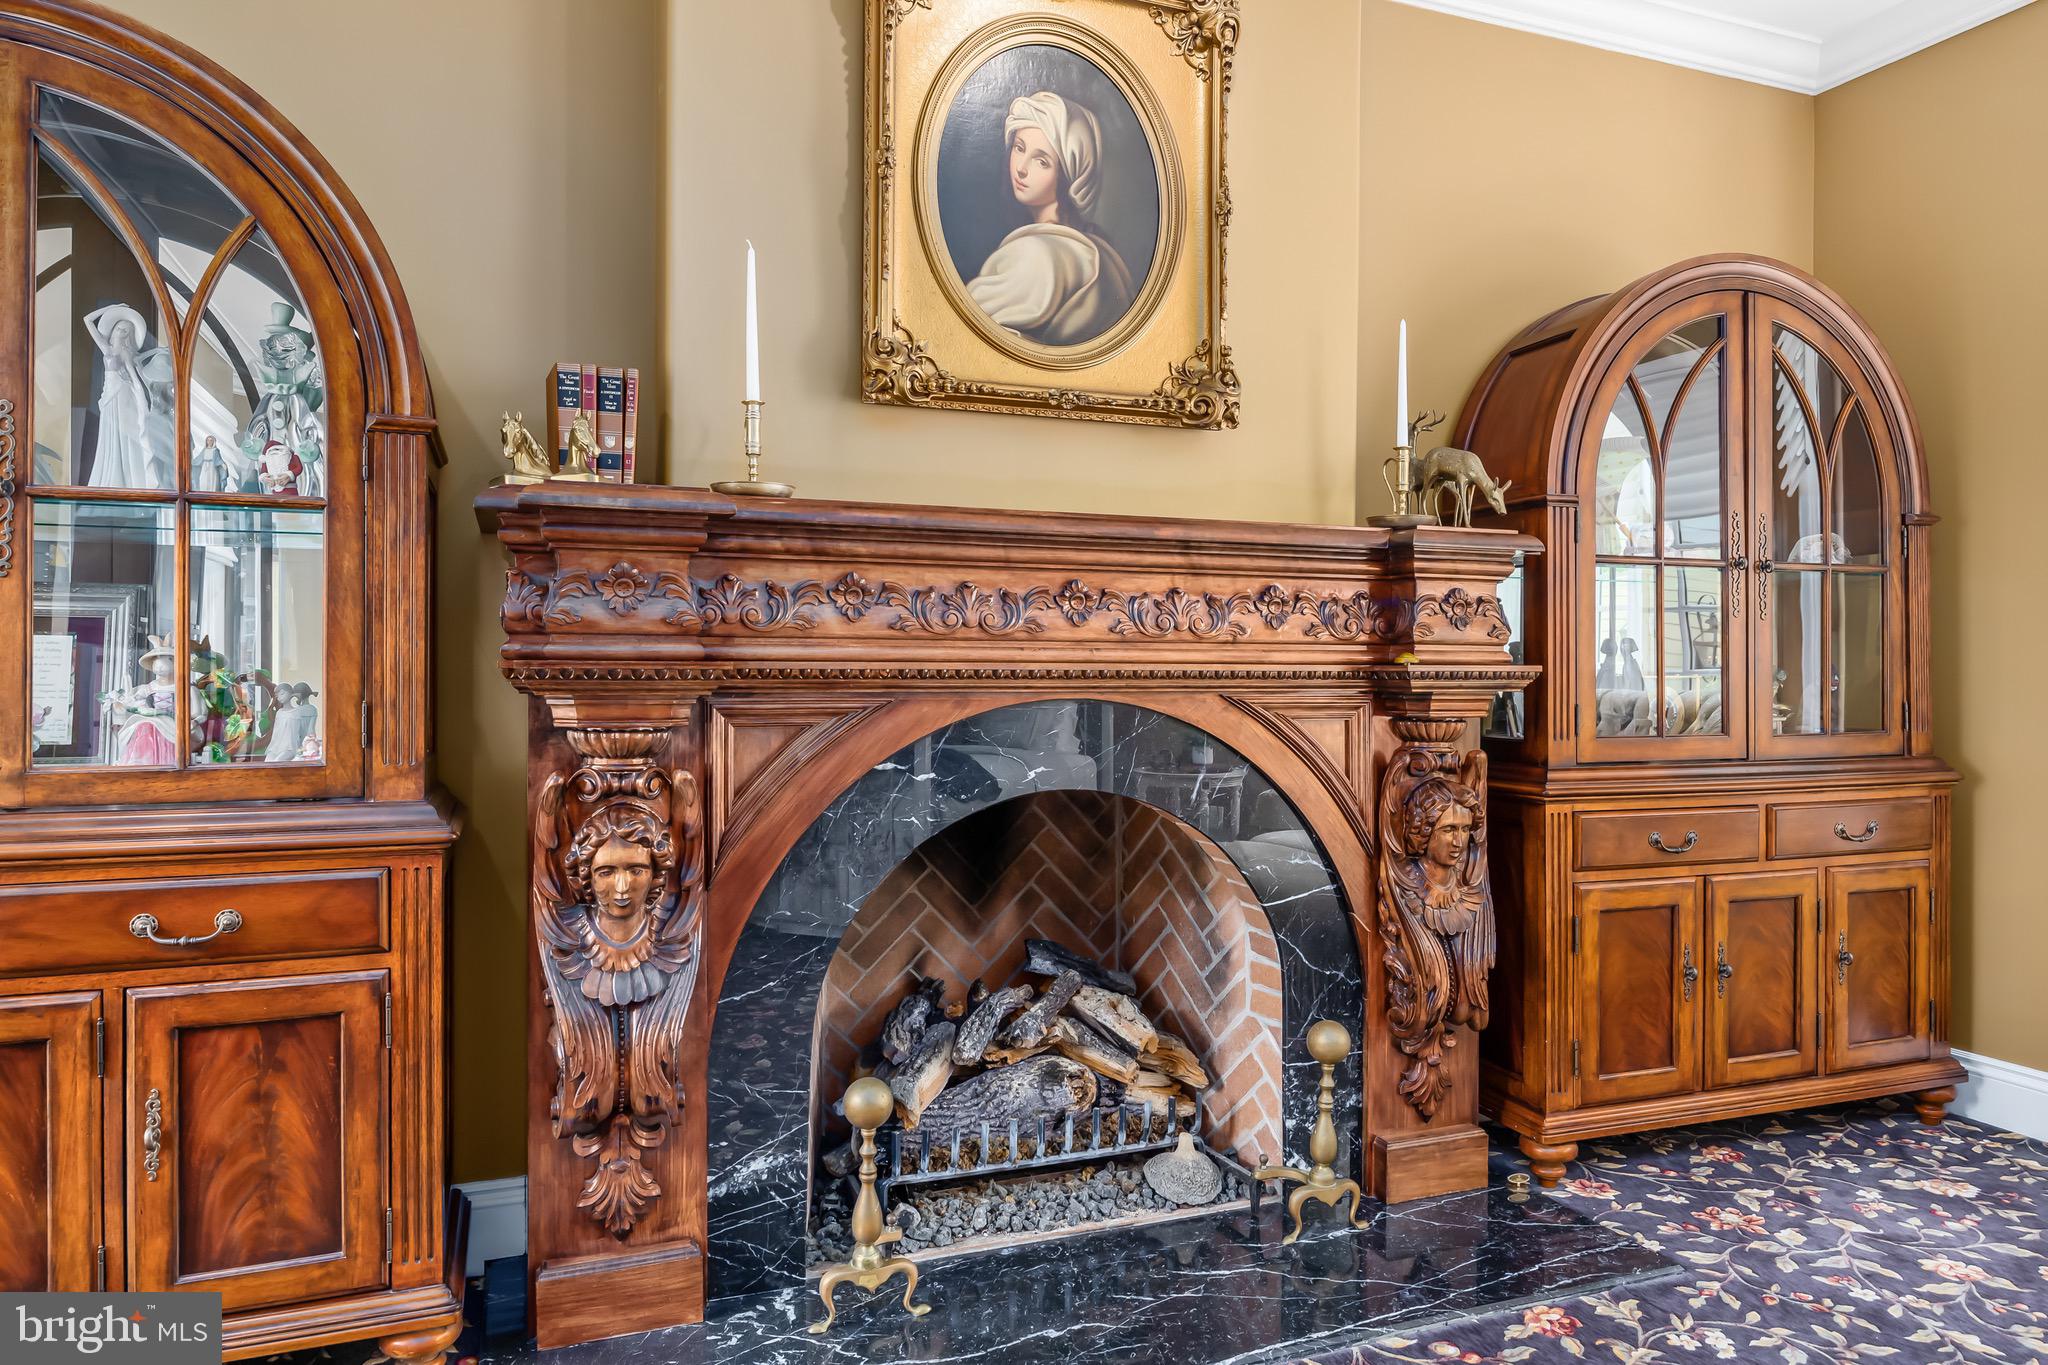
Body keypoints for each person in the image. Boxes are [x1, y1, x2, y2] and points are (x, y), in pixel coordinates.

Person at [965, 91, 1137, 347]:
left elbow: (963, 330)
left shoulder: (1036, 254)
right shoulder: (1096, 249)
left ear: (1068, 177)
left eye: (1042, 161)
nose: (1021, 167)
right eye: (1019, 148)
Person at [83, 304, 173, 489]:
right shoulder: (107, 349)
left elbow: (135, 378)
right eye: (119, 328)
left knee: (127, 435)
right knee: (110, 436)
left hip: (126, 396)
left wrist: (143, 399)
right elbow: (87, 320)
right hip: (110, 397)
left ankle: (131, 480)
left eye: (126, 330)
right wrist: (113, 307)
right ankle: (111, 480)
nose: (122, 332)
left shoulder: (128, 354)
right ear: (114, 330)